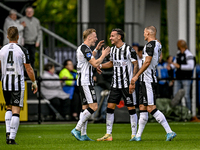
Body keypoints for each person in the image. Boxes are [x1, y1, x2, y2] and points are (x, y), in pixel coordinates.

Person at [129, 26, 176, 141]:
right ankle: (138, 136)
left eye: (145, 32)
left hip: (148, 80)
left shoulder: (150, 45)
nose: (143, 34)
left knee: (151, 108)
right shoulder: (157, 44)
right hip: (146, 80)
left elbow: (147, 62)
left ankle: (169, 132)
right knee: (143, 107)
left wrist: (136, 76)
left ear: (149, 33)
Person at [96, 28, 138, 141]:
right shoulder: (113, 50)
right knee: (110, 107)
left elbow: (135, 64)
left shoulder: (129, 49)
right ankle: (108, 134)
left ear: (119, 37)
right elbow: (111, 63)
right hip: (115, 84)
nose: (110, 38)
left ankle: (134, 135)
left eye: (112, 36)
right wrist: (99, 66)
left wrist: (133, 80)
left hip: (127, 84)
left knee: (131, 108)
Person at [71, 28, 110, 141]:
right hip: (86, 81)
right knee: (94, 107)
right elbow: (94, 62)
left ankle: (83, 135)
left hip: (82, 81)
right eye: (95, 36)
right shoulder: (84, 48)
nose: (96, 38)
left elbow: (89, 59)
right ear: (89, 37)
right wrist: (103, 55)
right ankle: (77, 129)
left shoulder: (84, 48)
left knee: (85, 108)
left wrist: (96, 49)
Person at [0, 26, 37, 144]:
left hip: (5, 82)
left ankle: (7, 132)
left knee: (8, 108)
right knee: (16, 110)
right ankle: (11, 138)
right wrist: (34, 82)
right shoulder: (22, 50)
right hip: (17, 83)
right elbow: (29, 69)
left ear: (7, 36)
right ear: (18, 36)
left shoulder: (2, 50)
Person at [171, 40, 195, 111]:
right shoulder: (178, 54)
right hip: (178, 78)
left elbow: (191, 66)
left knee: (186, 95)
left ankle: (188, 112)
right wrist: (171, 66)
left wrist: (180, 66)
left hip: (186, 78)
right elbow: (175, 63)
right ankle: (178, 112)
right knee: (176, 95)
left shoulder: (189, 55)